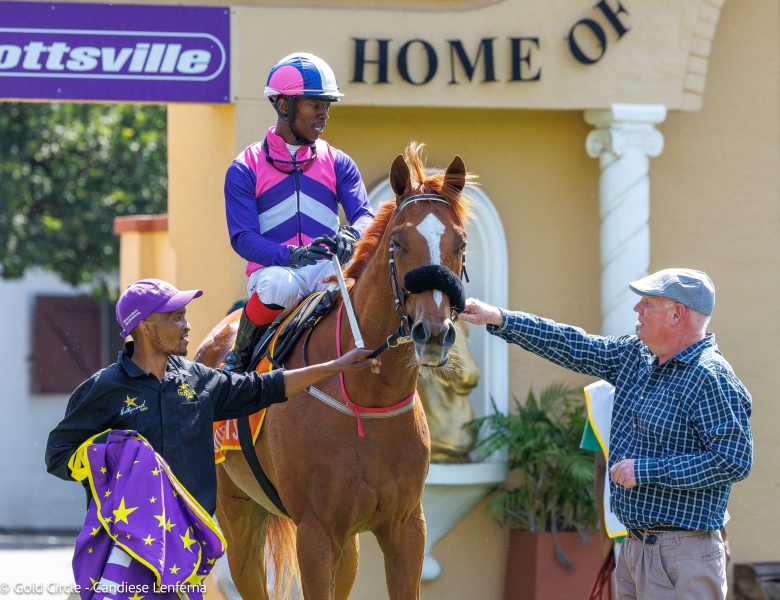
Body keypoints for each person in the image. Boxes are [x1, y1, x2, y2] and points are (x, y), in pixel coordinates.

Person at [459, 268, 752, 599]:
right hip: (635, 548)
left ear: (676, 314)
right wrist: (500, 319)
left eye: (648, 303)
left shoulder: (710, 377)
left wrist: (646, 471)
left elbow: (733, 460)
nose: (637, 309)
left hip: (683, 555)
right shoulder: (635, 356)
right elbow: (573, 344)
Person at [45, 279, 380, 516]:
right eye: (176, 317)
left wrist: (335, 366)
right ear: (144, 327)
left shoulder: (198, 379)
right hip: (124, 542)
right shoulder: (103, 388)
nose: (187, 326)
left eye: (185, 316)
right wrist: (116, 453)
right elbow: (58, 456)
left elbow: (265, 387)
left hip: (188, 545)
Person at [223, 52, 374, 372]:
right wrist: (291, 255)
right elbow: (243, 238)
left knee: (369, 284)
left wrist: (352, 234)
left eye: (327, 106)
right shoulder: (244, 167)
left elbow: (365, 216)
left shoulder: (339, 162)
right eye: (314, 105)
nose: (324, 115)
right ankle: (238, 357)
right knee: (280, 286)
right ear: (283, 105)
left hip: (328, 269)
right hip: (275, 272)